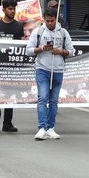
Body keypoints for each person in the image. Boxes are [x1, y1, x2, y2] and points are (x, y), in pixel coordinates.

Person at [26, 8, 75, 140]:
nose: (49, 23)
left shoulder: (63, 33)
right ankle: (42, 127)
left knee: (53, 100)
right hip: (42, 69)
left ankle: (50, 128)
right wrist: (41, 48)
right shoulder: (38, 32)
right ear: (44, 19)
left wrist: (61, 51)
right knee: (43, 98)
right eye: (47, 21)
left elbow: (71, 51)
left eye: (52, 21)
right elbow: (28, 51)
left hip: (58, 70)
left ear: (56, 19)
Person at [0, 0, 23, 132]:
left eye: (14, 9)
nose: (12, 11)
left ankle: (7, 122)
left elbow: (21, 44)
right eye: (10, 9)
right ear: (3, 10)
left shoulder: (18, 26)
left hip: (11, 67)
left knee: (10, 93)